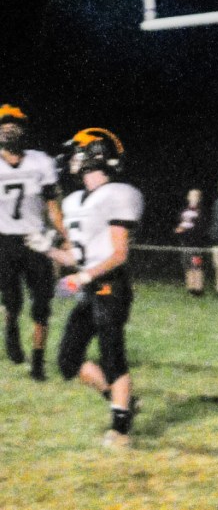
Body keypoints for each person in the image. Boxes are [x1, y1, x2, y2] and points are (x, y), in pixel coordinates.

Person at [49, 128, 143, 449]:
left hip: (111, 286)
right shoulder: (75, 200)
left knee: (112, 355)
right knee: (67, 360)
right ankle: (121, 401)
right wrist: (44, 247)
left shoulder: (119, 193)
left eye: (78, 151)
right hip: (90, 286)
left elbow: (119, 254)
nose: (72, 158)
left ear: (95, 154)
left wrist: (83, 278)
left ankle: (121, 430)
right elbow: (78, 255)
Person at [0, 103, 67, 381]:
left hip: (35, 240)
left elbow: (53, 207)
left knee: (42, 303)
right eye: (3, 127)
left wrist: (65, 238)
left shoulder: (41, 162)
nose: (8, 131)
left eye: (13, 126)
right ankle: (11, 327)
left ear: (23, 131)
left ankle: (38, 360)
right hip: (4, 240)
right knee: (12, 300)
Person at [174, 188, 205, 296]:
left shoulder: (201, 211)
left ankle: (198, 289)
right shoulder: (184, 210)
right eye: (191, 195)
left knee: (196, 265)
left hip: (196, 243)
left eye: (196, 196)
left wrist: (189, 230)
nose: (193, 198)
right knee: (187, 265)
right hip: (184, 243)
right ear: (188, 197)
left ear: (199, 198)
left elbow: (201, 227)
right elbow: (179, 224)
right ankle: (190, 288)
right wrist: (179, 230)